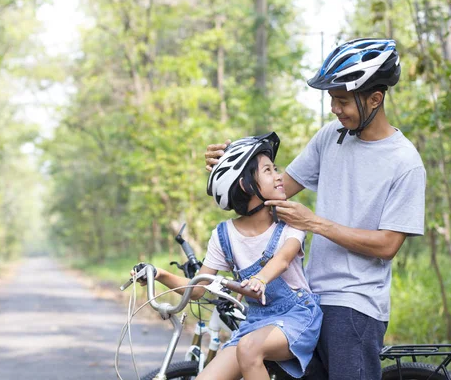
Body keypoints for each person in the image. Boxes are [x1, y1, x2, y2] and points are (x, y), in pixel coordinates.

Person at [204, 38, 426, 380]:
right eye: (331, 101)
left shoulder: (405, 163)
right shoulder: (331, 137)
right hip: (306, 301)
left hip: (354, 305)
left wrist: (316, 224)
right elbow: (277, 191)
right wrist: (236, 170)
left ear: (375, 99)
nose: (335, 109)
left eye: (341, 101)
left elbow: (387, 245)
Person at [134, 133, 322, 380]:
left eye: (275, 169)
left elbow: (283, 258)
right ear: (246, 184)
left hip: (296, 316)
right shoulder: (224, 235)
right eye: (268, 171)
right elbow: (199, 288)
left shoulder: (289, 222)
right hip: (255, 322)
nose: (279, 176)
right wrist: (159, 274)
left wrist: (261, 279)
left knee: (248, 348)